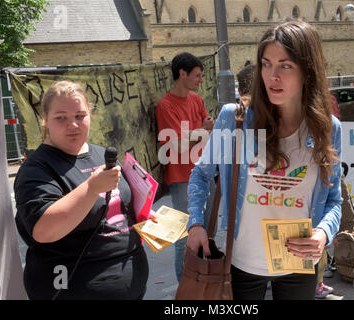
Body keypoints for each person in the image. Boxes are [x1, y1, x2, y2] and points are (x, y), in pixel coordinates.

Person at [186, 20, 342, 300]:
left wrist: (322, 234)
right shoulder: (234, 119)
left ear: (307, 70)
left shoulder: (327, 129)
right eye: (266, 64)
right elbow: (201, 174)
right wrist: (196, 223)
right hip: (240, 264)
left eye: (285, 65)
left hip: (298, 265)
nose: (273, 75)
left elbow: (334, 201)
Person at [14, 81, 149, 299]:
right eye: (61, 118)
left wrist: (140, 213)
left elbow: (116, 204)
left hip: (131, 282)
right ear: (46, 120)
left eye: (80, 115)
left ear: (90, 116)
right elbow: (44, 230)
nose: (73, 125)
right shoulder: (37, 169)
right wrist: (91, 188)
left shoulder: (102, 154)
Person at [155, 52, 215, 282]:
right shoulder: (165, 106)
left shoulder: (197, 100)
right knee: (185, 234)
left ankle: (204, 279)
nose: (201, 80)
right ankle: (186, 286)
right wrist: (201, 131)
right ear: (182, 74)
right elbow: (175, 146)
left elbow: (206, 134)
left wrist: (197, 134)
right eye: (197, 75)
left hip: (204, 172)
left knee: (207, 231)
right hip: (181, 178)